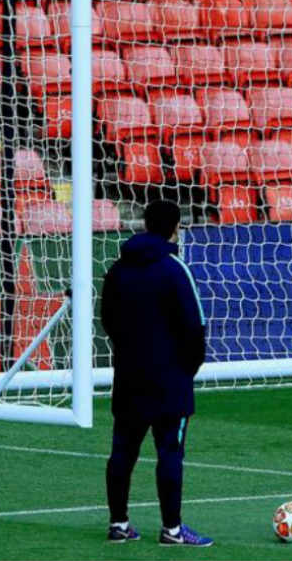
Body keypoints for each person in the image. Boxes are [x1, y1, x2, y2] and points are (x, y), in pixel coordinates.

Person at [100, 200, 213, 547]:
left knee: (123, 450)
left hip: (130, 377)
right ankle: (172, 530)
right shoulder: (173, 269)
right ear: (174, 227)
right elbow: (195, 328)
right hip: (169, 380)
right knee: (170, 451)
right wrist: (185, 369)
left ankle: (119, 524)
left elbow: (107, 319)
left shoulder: (118, 269)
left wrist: (129, 354)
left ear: (146, 224)